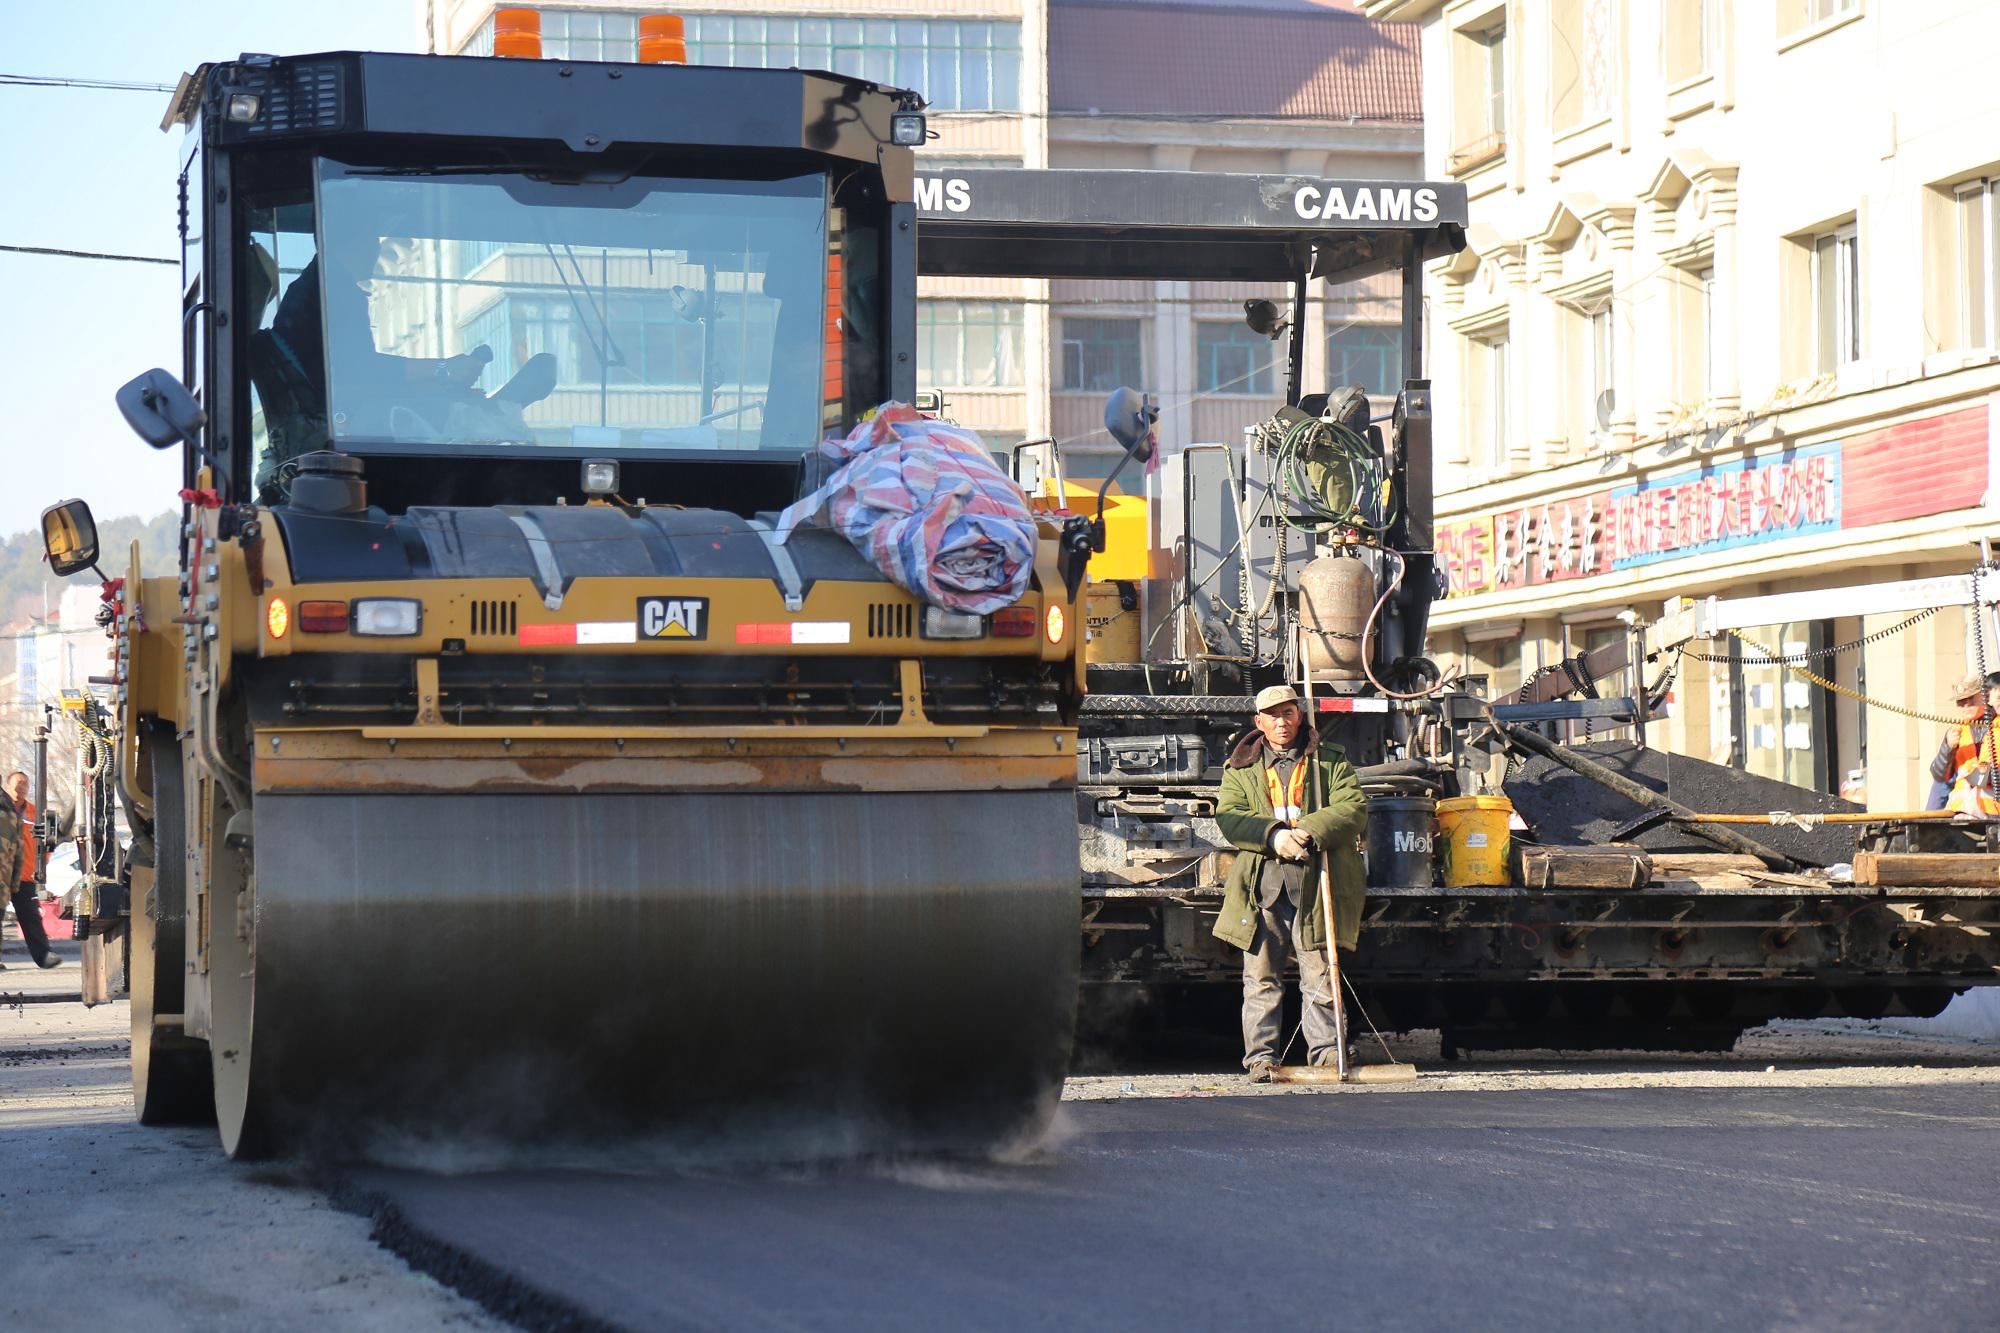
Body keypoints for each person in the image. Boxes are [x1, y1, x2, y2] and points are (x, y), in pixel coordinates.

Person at [1213, 684, 1368, 1080]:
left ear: (1300, 715)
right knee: (1261, 979)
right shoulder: (1240, 767)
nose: (1281, 722)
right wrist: (1274, 836)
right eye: (1273, 715)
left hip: (1318, 885)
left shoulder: (1328, 760)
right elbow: (1229, 816)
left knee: (1320, 975)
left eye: (1288, 713)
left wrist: (1310, 832)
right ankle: (1262, 1060)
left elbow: (1352, 808)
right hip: (1262, 888)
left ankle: (1329, 1057)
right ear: (1258, 721)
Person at [0, 771, 56, 970]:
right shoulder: (3, 808)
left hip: (24, 875)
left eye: (25, 783)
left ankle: (43, 956)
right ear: (8, 785)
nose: (21, 787)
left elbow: (47, 842)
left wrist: (41, 865)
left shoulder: (34, 812)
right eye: (18, 783)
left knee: (31, 917)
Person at [1932, 673, 2000, 816]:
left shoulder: (1997, 725)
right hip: (1962, 810)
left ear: (1984, 697)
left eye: (1970, 699)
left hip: (1992, 807)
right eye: (1960, 702)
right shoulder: (1957, 731)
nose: (1966, 705)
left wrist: (1983, 776)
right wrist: (1947, 748)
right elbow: (1939, 777)